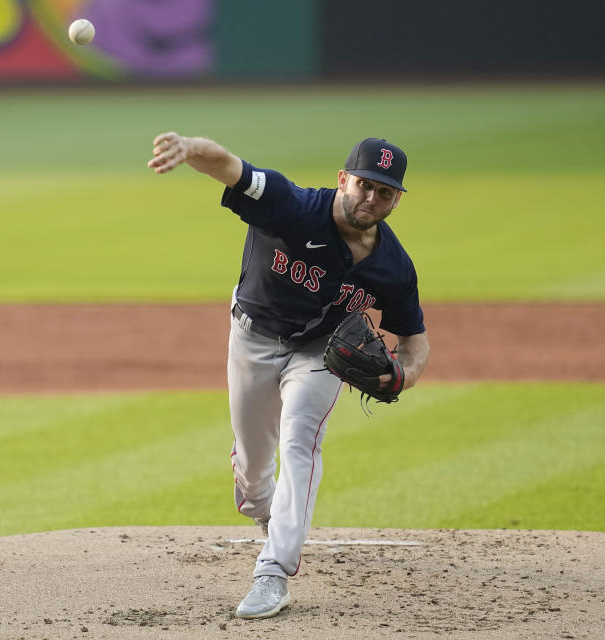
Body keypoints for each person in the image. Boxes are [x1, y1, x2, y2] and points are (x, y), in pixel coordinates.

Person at [148, 132, 430, 619]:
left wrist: (400, 376)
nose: (371, 197)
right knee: (256, 478)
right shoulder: (291, 206)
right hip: (253, 338)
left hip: (320, 352)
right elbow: (229, 166)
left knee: (301, 440)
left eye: (385, 191)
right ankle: (263, 506)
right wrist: (189, 148)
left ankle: (273, 572)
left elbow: (414, 343)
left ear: (397, 199)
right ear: (343, 179)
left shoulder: (394, 268)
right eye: (364, 184)